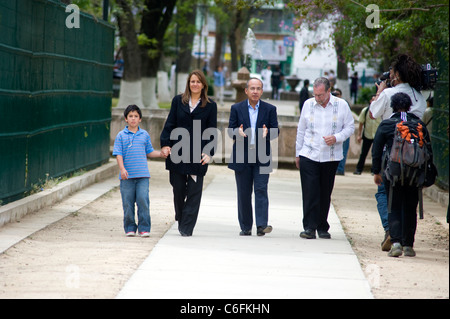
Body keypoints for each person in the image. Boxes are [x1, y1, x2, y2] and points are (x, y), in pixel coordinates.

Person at [369, 53, 427, 250]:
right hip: (415, 160)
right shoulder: (419, 97)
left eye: (392, 73)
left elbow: (372, 113)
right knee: (410, 203)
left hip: (392, 160)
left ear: (397, 75)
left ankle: (392, 235)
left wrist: (381, 91)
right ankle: (407, 243)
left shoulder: (387, 95)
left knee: (388, 197)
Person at [372, 92, 432, 257]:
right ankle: (408, 245)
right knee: (410, 207)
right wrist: (427, 175)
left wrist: (376, 172)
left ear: (392, 106)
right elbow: (428, 150)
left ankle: (396, 242)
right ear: (410, 106)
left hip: (394, 173)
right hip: (415, 173)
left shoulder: (387, 124)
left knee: (394, 205)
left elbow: (376, 150)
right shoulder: (419, 124)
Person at [160, 70, 218, 237]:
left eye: (198, 82)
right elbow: (170, 123)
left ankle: (186, 227)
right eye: (192, 81)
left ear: (203, 85)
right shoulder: (178, 101)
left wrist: (209, 152)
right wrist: (165, 144)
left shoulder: (210, 105)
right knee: (178, 188)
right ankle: (181, 216)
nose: (195, 84)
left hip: (197, 155)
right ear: (188, 84)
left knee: (194, 191)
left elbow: (211, 131)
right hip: (177, 152)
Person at [295, 77, 354, 239]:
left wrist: (336, 137)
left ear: (329, 91)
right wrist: (297, 153)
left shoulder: (341, 105)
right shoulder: (308, 104)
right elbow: (301, 130)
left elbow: (350, 127)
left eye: (321, 95)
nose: (318, 98)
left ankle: (322, 226)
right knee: (309, 191)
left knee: (324, 192)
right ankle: (309, 227)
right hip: (309, 153)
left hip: (331, 156)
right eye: (315, 95)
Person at [228, 78, 279, 236]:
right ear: (246, 91)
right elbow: (231, 130)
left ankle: (262, 225)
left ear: (262, 91)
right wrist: (238, 132)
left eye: (258, 88)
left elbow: (275, 130)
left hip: (262, 156)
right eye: (252, 88)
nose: (255, 91)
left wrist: (267, 133)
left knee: (261, 189)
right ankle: (246, 226)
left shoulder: (270, 109)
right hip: (242, 155)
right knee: (243, 193)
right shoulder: (236, 108)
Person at [113, 104, 166, 237]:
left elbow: (149, 152)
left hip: (142, 176)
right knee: (128, 204)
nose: (133, 119)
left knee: (143, 201)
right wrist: (122, 169)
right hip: (127, 177)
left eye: (136, 116)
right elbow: (118, 154)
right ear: (126, 119)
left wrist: (160, 154)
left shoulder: (144, 135)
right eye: (130, 116)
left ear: (140, 119)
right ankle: (130, 228)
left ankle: (144, 228)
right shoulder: (120, 136)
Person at [353, 96, 381, 175]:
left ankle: (374, 170)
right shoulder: (365, 111)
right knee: (363, 153)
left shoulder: (380, 111)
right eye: (372, 99)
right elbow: (361, 123)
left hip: (377, 135)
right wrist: (359, 135)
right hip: (367, 134)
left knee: (375, 154)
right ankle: (359, 169)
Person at [333, 88, 351, 175]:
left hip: (343, 132)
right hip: (334, 133)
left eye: (337, 94)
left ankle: (340, 169)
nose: (336, 96)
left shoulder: (344, 105)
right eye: (334, 94)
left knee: (343, 151)